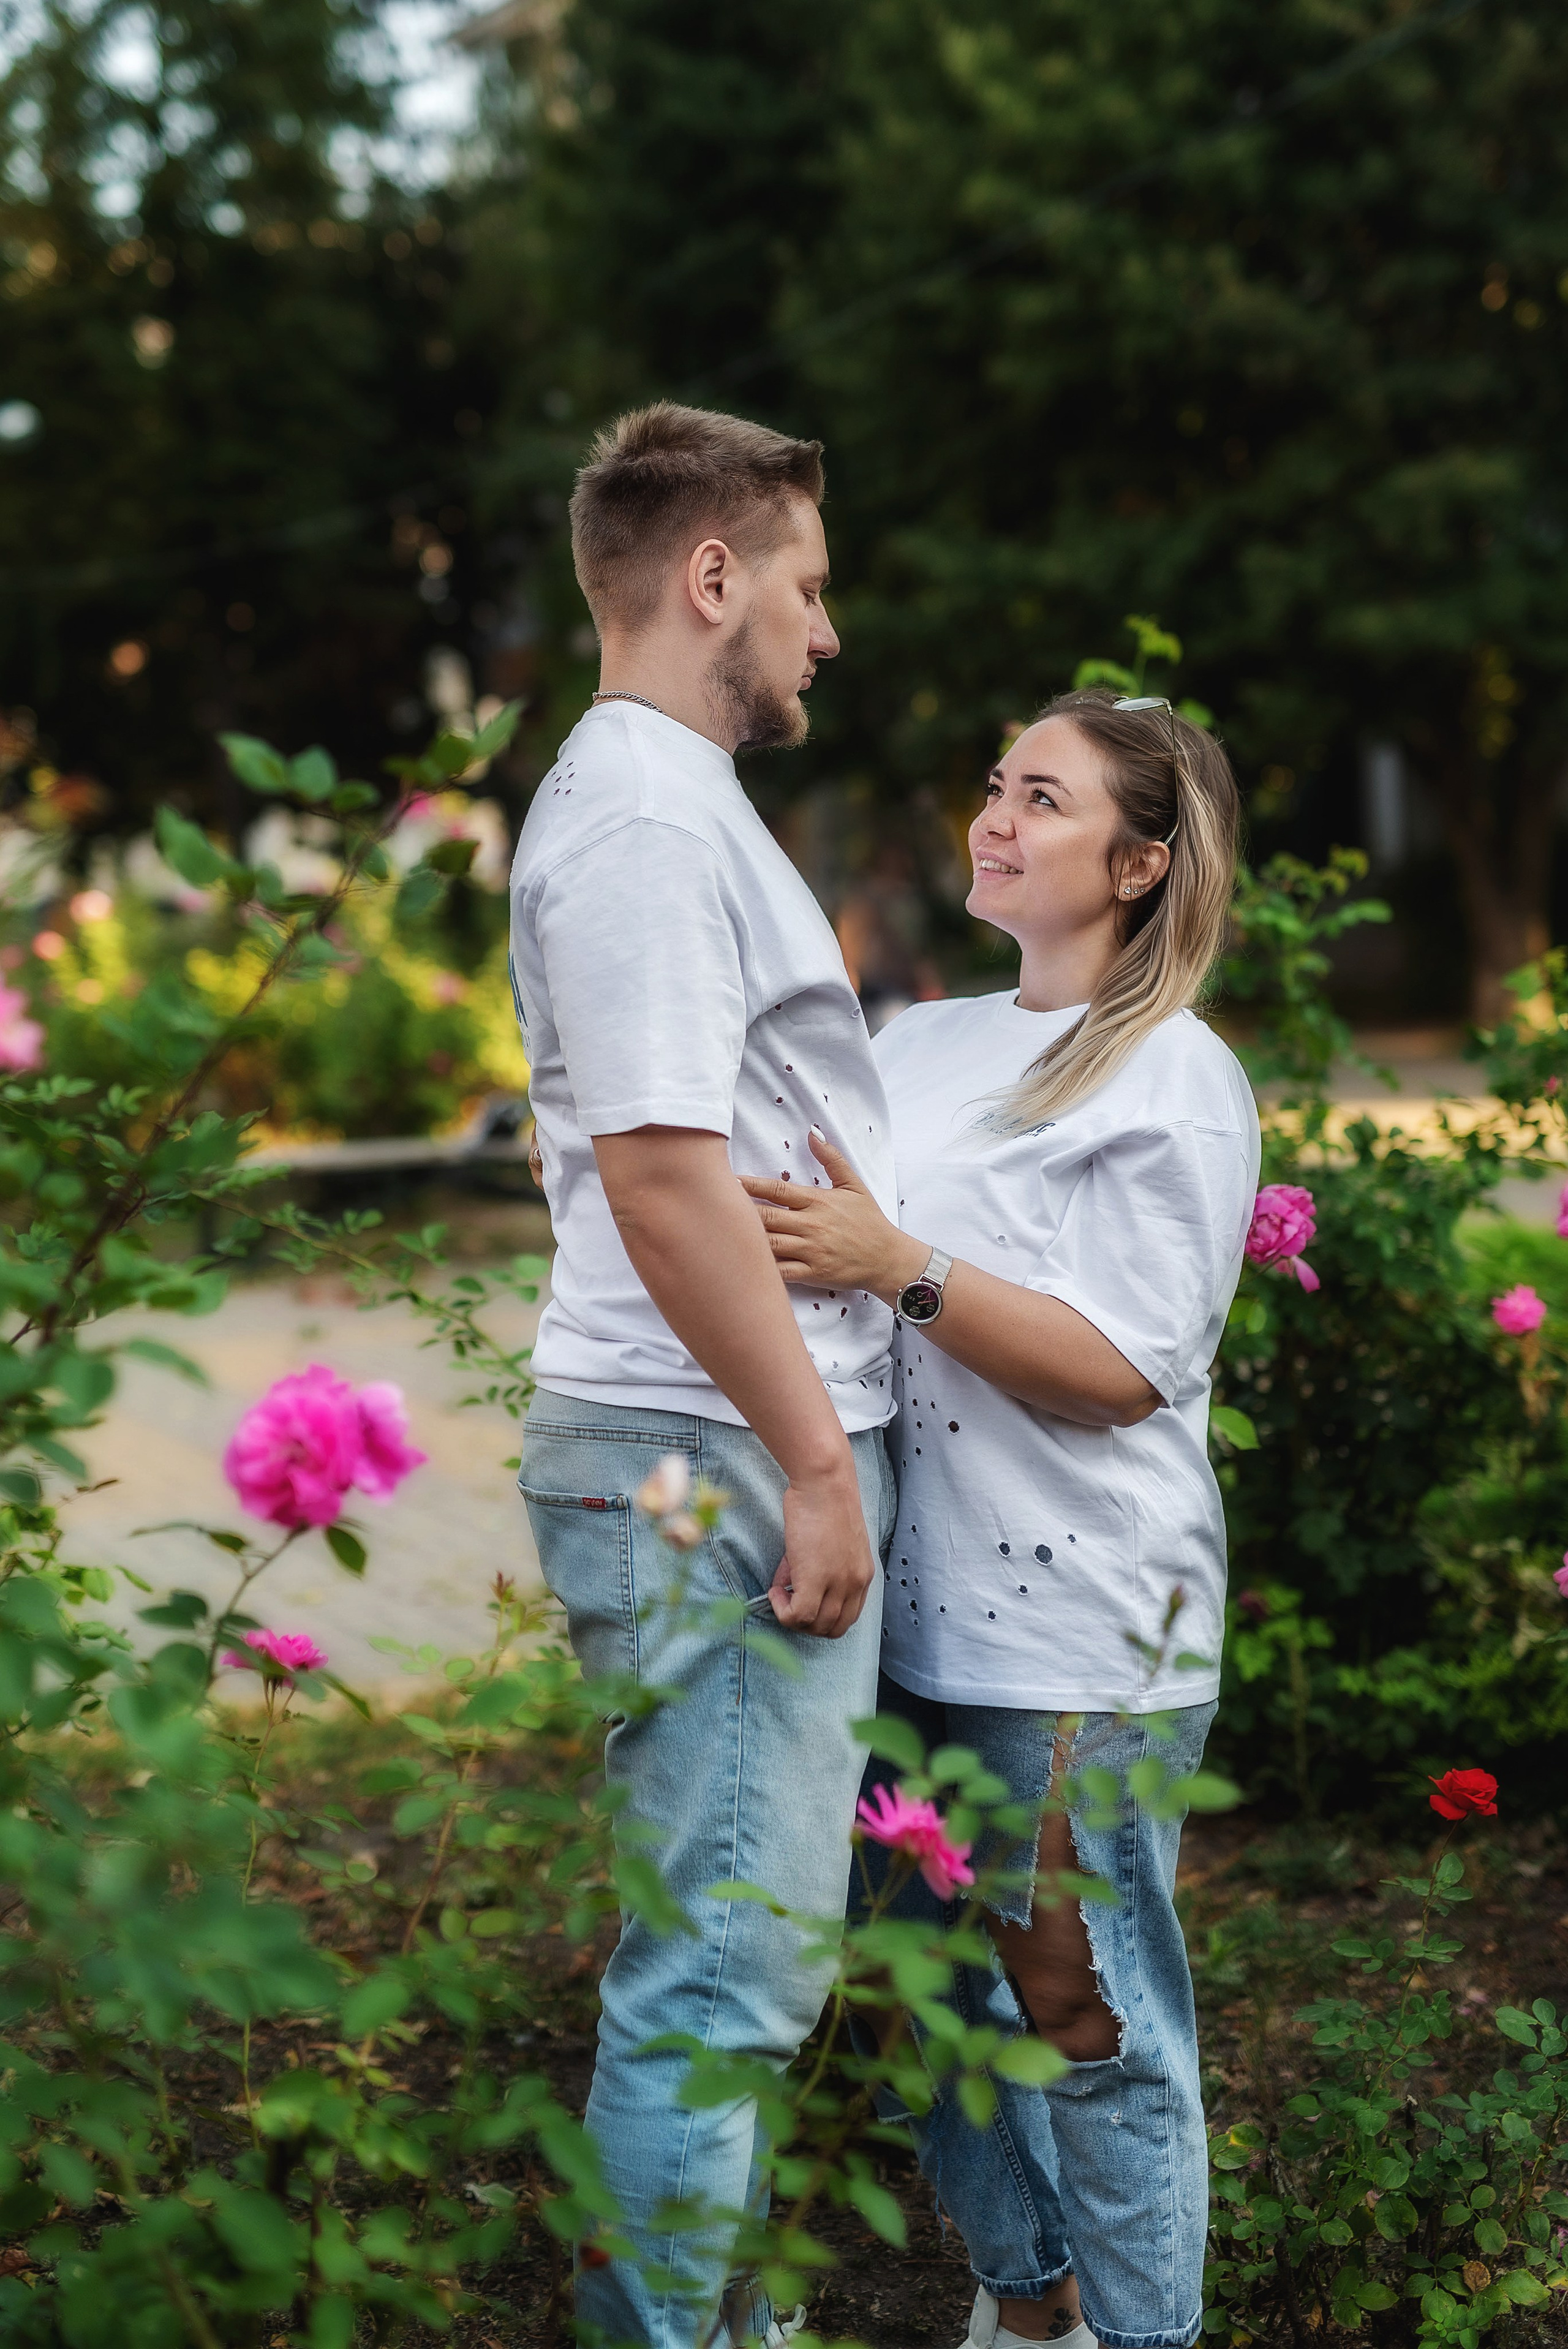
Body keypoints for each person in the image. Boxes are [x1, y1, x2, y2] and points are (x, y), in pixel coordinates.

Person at [742, 688, 1260, 2349]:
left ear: (1140, 859)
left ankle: (1143, 2329)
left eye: (1042, 797)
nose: (996, 817)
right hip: (902, 1609)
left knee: (1080, 2008)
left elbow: (1127, 1366)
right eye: (994, 786)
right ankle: (1031, 2304)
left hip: (1079, 1633)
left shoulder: (1173, 1073)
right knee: (918, 1998)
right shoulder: (921, 1041)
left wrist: (904, 1262)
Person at [508, 402, 897, 2349]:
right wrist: (817, 1460)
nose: (828, 631)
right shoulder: (654, 817)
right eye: (809, 586)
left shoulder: (646, 802)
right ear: (712, 577)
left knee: (733, 1955)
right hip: (711, 1450)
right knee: (723, 1976)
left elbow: (592, 1145)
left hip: (694, 1432)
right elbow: (665, 1179)